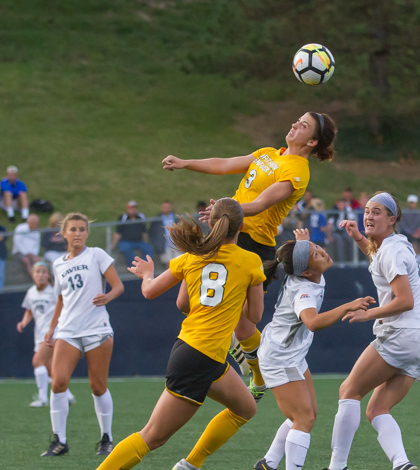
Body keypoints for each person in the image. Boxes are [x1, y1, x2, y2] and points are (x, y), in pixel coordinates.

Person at [69, 198, 264, 470]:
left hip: (200, 353)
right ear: (242, 227)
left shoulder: (191, 257)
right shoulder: (251, 261)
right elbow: (254, 316)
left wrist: (147, 272)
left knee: (245, 408)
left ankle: (191, 464)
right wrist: (241, 292)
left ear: (212, 223)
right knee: (153, 436)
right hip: (199, 357)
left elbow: (167, 298)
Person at [161, 111, 337, 402]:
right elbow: (226, 164)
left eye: (303, 125)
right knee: (185, 303)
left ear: (313, 141)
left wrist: (230, 209)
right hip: (227, 230)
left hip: (253, 243)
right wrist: (185, 163)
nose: (294, 124)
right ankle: (237, 347)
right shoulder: (269, 153)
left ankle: (257, 376)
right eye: (297, 119)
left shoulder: (298, 170)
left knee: (245, 324)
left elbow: (260, 203)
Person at [315, 192, 420, 470]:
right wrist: (358, 238)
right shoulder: (393, 246)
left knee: (349, 390)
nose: (368, 216)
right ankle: (401, 464)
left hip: (402, 334)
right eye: (366, 211)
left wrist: (369, 315)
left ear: (392, 219)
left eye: (377, 212)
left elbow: (404, 300)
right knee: (376, 409)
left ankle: (336, 468)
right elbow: (377, 257)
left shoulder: (392, 251)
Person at [253, 229, 375, 470]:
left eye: (318, 248)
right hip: (280, 357)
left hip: (290, 354)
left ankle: (269, 464)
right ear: (306, 272)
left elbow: (301, 260)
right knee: (303, 417)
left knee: (307, 415)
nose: (322, 251)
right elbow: (313, 322)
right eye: (316, 254)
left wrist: (303, 243)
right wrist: (348, 306)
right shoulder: (305, 288)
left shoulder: (306, 273)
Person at [41, 212, 124, 457]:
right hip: (68, 330)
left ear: (87, 233)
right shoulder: (58, 263)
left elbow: (118, 285)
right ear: (63, 233)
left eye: (81, 229)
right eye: (73, 229)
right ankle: (59, 440)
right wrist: (51, 327)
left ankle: (106, 438)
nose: (77, 233)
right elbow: (60, 298)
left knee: (98, 387)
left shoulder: (96, 254)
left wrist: (108, 296)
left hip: (97, 329)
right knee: (58, 383)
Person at [17, 262, 77, 408]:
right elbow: (29, 310)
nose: (41, 275)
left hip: (54, 333)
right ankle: (68, 395)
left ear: (49, 275)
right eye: (37, 272)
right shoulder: (31, 292)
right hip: (39, 335)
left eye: (44, 272)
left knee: (37, 361)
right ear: (32, 275)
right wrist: (24, 322)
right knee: (50, 369)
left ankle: (43, 397)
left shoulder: (54, 292)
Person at [110, 201, 154, 267]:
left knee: (149, 248)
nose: (133, 210)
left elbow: (144, 232)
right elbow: (118, 233)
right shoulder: (123, 218)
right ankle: (134, 266)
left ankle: (144, 266)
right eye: (131, 208)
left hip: (139, 242)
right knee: (125, 248)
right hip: (126, 242)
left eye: (134, 208)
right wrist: (112, 245)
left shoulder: (140, 217)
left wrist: (146, 242)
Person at [327, 198, 357, 263]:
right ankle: (341, 260)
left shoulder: (347, 211)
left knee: (350, 239)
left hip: (344, 231)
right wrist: (329, 236)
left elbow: (351, 219)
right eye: (340, 204)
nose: (341, 206)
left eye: (343, 204)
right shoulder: (334, 212)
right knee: (339, 240)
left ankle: (351, 260)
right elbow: (330, 225)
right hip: (335, 232)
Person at [399, 195, 420, 264]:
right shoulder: (404, 213)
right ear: (408, 203)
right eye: (411, 203)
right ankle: (416, 256)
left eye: (413, 203)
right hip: (407, 232)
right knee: (411, 240)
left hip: (416, 232)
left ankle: (419, 256)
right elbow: (403, 225)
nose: (412, 204)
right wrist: (412, 233)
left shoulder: (419, 213)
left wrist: (418, 232)